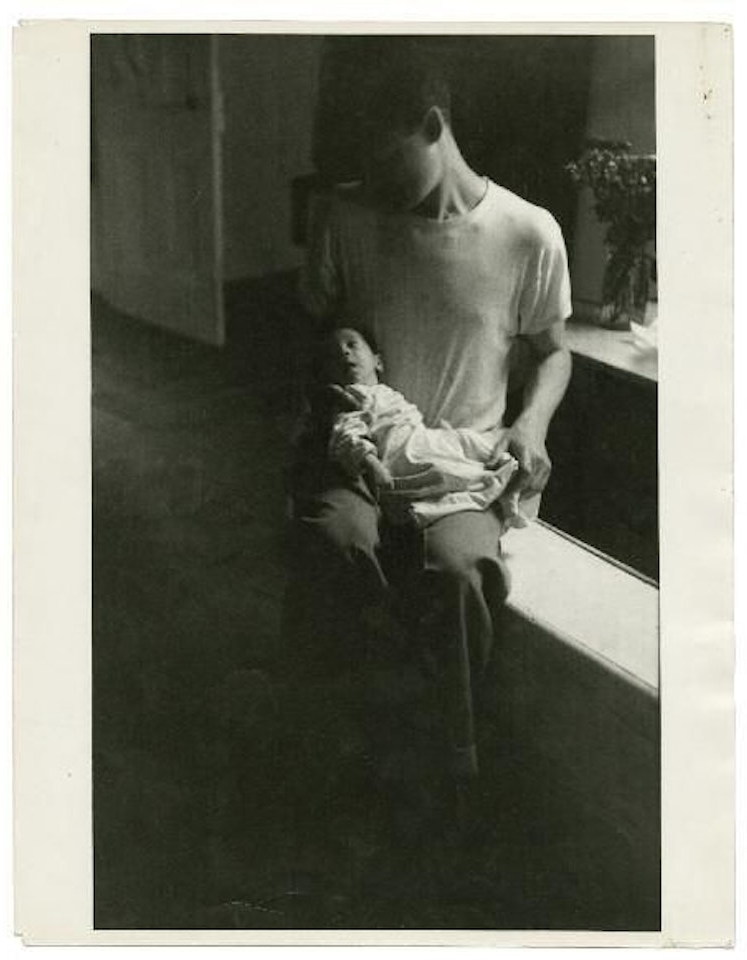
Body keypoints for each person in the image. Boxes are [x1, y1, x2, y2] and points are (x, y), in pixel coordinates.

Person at [282, 53, 572, 841]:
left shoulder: (527, 232)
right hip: (362, 444)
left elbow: (553, 351)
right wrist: (335, 401)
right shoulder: (343, 216)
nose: (370, 183)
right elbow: (316, 333)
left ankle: (449, 765)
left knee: (457, 575)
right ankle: (346, 741)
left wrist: (531, 425)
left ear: (434, 126)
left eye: (383, 159)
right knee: (335, 543)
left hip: (459, 464)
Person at [306, 324, 530, 530]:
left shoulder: (384, 391)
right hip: (401, 449)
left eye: (352, 344)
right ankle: (500, 487)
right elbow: (348, 433)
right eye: (333, 355)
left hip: (421, 436)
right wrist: (371, 463)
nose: (344, 353)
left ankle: (509, 480)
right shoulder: (350, 398)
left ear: (378, 361)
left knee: (470, 443)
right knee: (449, 468)